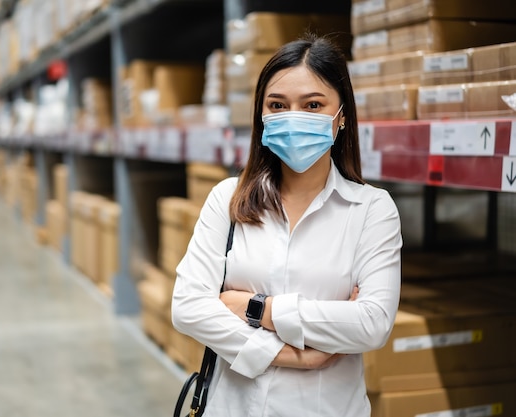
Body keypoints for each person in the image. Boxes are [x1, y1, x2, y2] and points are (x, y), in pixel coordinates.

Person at [171, 32, 402, 416]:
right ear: (261, 117)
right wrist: (296, 355)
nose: (294, 117)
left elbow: (372, 323)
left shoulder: (371, 210)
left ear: (341, 116)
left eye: (313, 105)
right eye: (278, 105)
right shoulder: (228, 200)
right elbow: (188, 307)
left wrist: (255, 307)